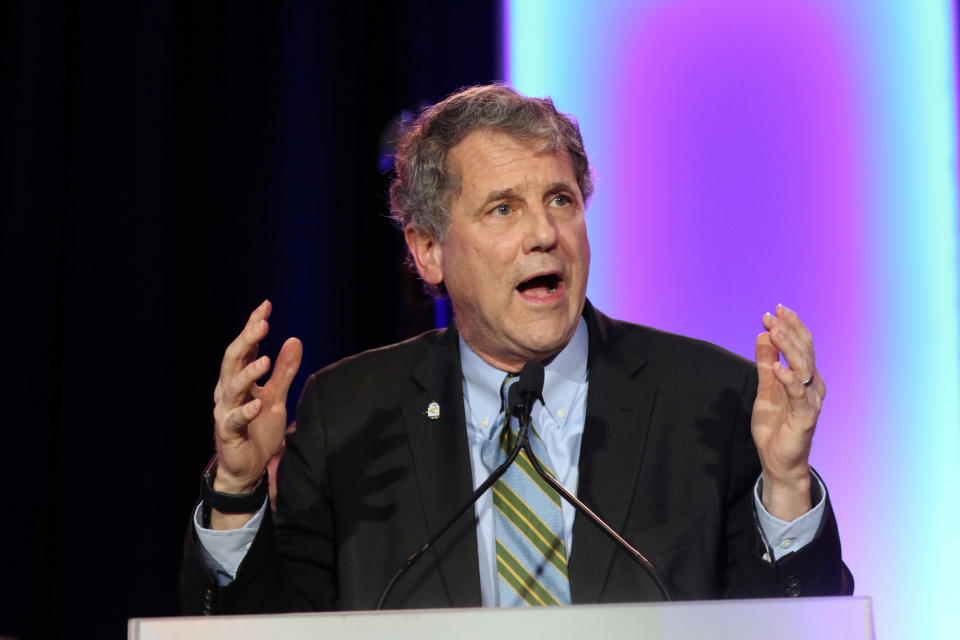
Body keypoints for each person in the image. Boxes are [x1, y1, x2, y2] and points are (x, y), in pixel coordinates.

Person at [180, 85, 852, 614]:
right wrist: (237, 493)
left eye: (560, 200)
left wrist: (787, 487)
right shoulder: (352, 417)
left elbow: (799, 624)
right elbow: (266, 629)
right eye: (503, 208)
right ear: (429, 250)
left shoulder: (710, 400)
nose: (544, 234)